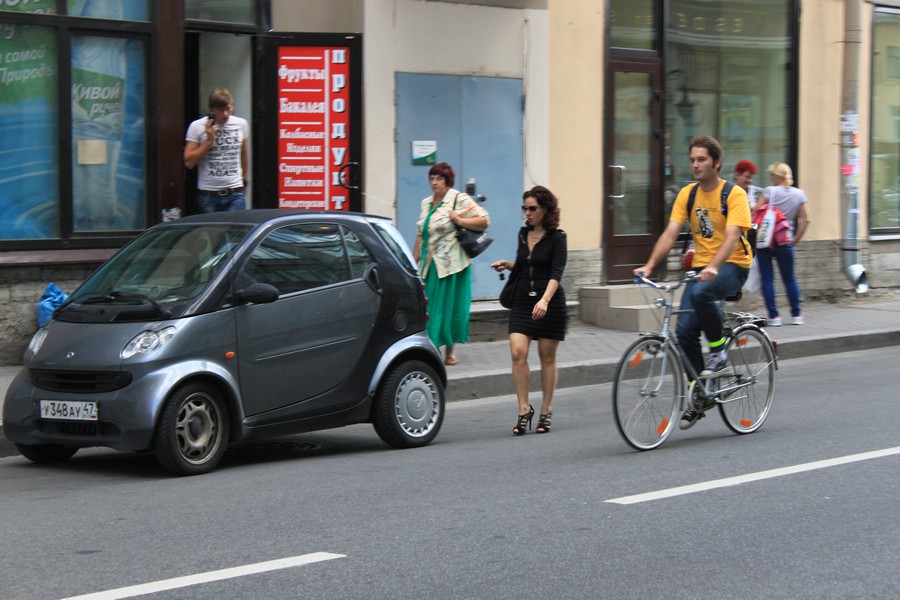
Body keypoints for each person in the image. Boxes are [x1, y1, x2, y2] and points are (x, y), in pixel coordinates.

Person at [634, 135, 752, 430]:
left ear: (716, 162)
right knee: (684, 331)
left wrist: (713, 266)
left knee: (701, 295)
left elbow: (732, 237)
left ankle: (719, 351)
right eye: (693, 160)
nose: (696, 165)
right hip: (702, 268)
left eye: (702, 159)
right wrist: (650, 265)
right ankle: (701, 393)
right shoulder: (688, 194)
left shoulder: (734, 195)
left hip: (733, 265)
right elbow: (671, 233)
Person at [491, 186, 567, 436]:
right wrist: (509, 264)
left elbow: (555, 274)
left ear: (545, 209)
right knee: (517, 352)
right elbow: (526, 266)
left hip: (549, 303)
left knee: (547, 357)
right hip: (523, 301)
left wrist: (544, 301)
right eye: (525, 208)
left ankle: (546, 410)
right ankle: (524, 409)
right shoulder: (523, 234)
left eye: (532, 208)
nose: (528, 213)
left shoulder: (558, 238)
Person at [413, 162, 489, 366]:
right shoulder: (426, 203)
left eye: (439, 178)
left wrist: (460, 220)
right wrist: (412, 262)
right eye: (432, 178)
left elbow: (484, 221)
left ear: (448, 181)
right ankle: (432, 346)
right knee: (430, 308)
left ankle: (450, 351)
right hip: (430, 265)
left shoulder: (458, 199)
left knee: (450, 308)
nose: (434, 182)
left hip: (452, 265)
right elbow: (421, 235)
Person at [755, 162, 810, 326]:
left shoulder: (769, 191)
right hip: (785, 240)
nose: (770, 177)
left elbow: (755, 212)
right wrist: (795, 240)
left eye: (772, 174)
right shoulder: (800, 194)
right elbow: (806, 220)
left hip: (766, 241)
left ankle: (774, 316)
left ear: (777, 176)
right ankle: (797, 315)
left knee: (767, 278)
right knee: (790, 278)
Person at [184, 88, 250, 212]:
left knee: (237, 230)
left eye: (228, 109)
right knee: (214, 231)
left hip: (234, 192)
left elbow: (244, 153)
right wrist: (208, 142)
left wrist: (244, 181)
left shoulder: (241, 124)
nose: (225, 114)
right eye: (221, 110)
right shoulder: (197, 127)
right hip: (209, 194)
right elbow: (189, 162)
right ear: (212, 110)